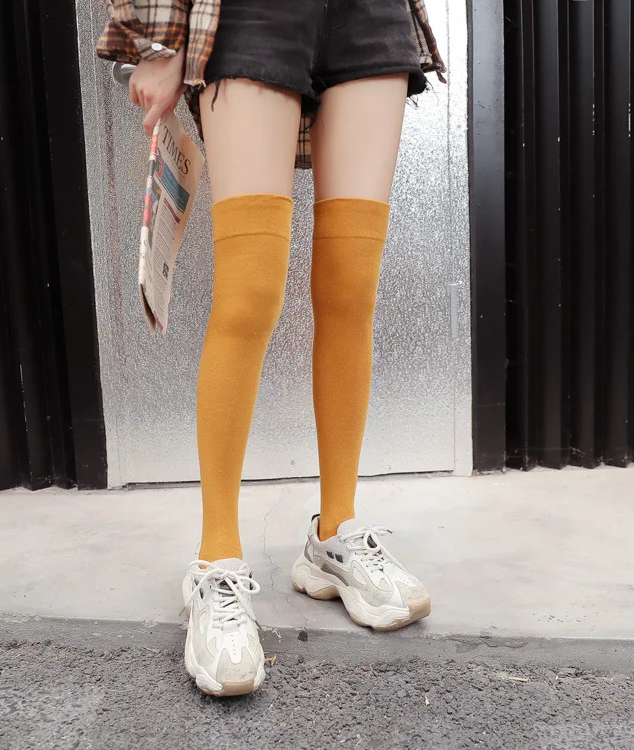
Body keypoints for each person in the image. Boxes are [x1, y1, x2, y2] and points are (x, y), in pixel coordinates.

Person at [98, 0, 446, 697]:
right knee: (250, 293)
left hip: (368, 14)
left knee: (351, 288)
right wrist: (157, 45)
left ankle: (334, 535)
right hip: (248, 13)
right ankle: (216, 562)